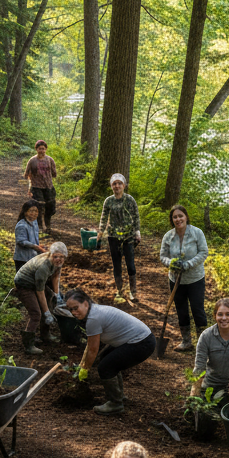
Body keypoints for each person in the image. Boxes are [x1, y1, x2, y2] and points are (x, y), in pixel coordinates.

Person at [64, 288, 155, 415]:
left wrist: (85, 369)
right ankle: (120, 396)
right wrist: (82, 365)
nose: (73, 312)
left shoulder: (93, 319)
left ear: (85, 303)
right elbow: (90, 345)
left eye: (76, 308)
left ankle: (115, 404)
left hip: (141, 343)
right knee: (107, 358)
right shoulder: (93, 310)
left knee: (105, 367)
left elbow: (93, 349)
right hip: (140, 339)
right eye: (70, 309)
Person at [159, 204, 209, 351]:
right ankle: (186, 341)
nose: (178, 219)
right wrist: (171, 263)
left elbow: (203, 252)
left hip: (195, 279)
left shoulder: (196, 233)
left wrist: (188, 264)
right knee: (181, 310)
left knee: (197, 309)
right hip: (176, 280)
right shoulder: (168, 236)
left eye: (180, 216)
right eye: (175, 217)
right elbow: (163, 256)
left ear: (186, 217)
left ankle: (203, 343)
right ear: (172, 219)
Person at [14, 242, 67, 354]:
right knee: (36, 313)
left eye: (62, 257)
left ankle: (45, 334)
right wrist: (47, 312)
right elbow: (40, 291)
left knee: (51, 299)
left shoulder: (57, 263)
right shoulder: (43, 266)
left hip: (36, 282)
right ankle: (28, 345)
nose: (59, 259)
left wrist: (57, 296)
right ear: (50, 255)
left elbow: (56, 277)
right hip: (24, 284)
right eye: (56, 256)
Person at [96, 173, 141, 302]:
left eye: (119, 183)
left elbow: (136, 215)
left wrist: (137, 232)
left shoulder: (130, 200)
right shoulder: (108, 201)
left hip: (128, 236)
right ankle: (120, 291)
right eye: (114, 184)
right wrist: (100, 232)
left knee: (130, 265)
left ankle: (133, 292)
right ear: (111, 186)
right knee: (117, 265)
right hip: (113, 236)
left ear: (124, 185)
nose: (117, 186)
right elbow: (104, 217)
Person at [24, 140, 58, 233]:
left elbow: (54, 173)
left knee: (51, 207)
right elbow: (26, 174)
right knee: (38, 207)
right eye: (40, 149)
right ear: (36, 149)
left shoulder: (50, 160)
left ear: (46, 149)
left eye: (43, 148)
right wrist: (30, 187)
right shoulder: (32, 161)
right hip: (36, 187)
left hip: (49, 187)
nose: (41, 150)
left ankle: (48, 224)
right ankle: (39, 227)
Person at [14, 199, 45, 273]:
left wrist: (39, 246)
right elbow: (21, 241)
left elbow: (34, 239)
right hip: (22, 259)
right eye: (31, 211)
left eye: (36, 211)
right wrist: (35, 247)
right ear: (25, 212)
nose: (34, 213)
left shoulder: (34, 223)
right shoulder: (21, 225)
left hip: (32, 257)